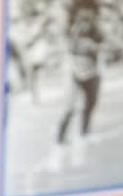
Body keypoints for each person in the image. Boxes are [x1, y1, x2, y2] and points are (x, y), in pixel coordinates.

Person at [41, 0, 108, 173]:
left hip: (92, 71)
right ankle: (59, 139)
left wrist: (96, 48)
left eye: (89, 17)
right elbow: (66, 45)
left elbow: (106, 46)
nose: (86, 19)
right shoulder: (71, 27)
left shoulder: (97, 30)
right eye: (83, 17)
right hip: (74, 70)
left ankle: (85, 133)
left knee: (91, 104)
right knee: (70, 107)